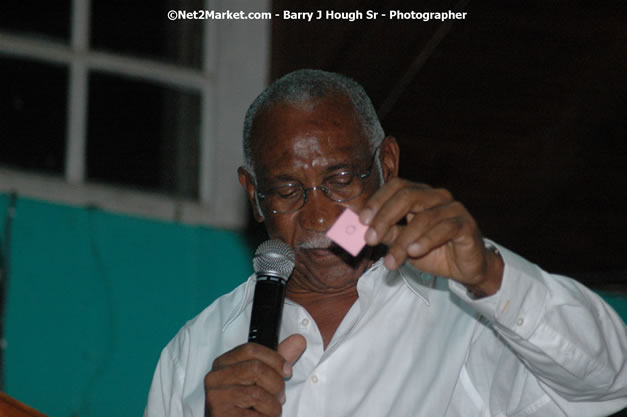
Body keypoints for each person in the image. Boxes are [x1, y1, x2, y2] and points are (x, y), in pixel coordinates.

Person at [144, 69, 627, 417]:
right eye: (287, 191)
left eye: (340, 178)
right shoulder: (194, 352)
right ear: (254, 196)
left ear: (387, 166)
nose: (318, 215)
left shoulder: (467, 317)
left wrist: (488, 276)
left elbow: (611, 382)